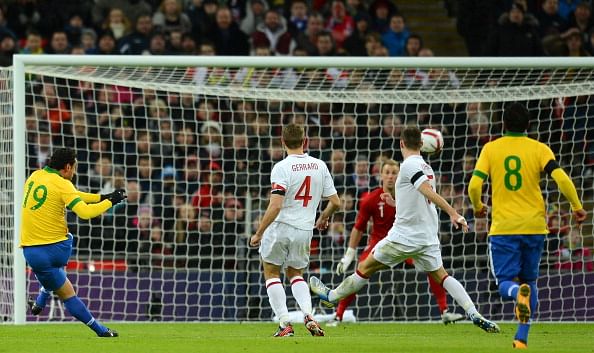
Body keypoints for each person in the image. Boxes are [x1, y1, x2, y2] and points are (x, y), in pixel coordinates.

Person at [310, 126, 500, 334]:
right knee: (443, 276)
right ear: (421, 145)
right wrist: (394, 202)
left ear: (401, 144)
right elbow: (418, 198)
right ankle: (474, 313)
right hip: (427, 236)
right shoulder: (426, 166)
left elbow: (425, 191)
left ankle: (330, 297)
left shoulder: (409, 165)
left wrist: (453, 213)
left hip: (404, 236)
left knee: (365, 267)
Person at [468, 102, 587, 349]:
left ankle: (515, 295)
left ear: (502, 124)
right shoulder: (539, 149)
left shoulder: (491, 149)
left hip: (504, 228)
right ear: (528, 125)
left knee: (505, 285)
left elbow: (473, 186)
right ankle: (521, 338)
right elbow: (561, 177)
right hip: (535, 227)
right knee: (530, 282)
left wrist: (478, 206)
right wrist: (577, 206)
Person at [334, 158, 464, 325]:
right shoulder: (370, 198)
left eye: (394, 173)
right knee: (361, 269)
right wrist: (349, 253)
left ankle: (444, 310)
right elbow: (358, 228)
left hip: (407, 241)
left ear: (400, 175)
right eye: (387, 172)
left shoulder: (409, 196)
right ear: (380, 175)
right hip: (379, 242)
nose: (390, 176)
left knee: (433, 268)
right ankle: (338, 314)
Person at [21, 148, 126, 337]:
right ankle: (101, 331)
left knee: (53, 277)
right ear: (67, 167)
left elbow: (75, 194)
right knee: (68, 294)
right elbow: (85, 213)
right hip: (56, 249)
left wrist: (104, 196)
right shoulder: (62, 184)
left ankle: (39, 303)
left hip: (31, 252)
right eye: (74, 167)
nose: (74, 171)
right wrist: (111, 203)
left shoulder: (35, 176)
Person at [249, 124, 341, 337]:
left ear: (282, 142)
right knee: (296, 273)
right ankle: (308, 314)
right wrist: (323, 218)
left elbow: (276, 205)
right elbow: (335, 202)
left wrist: (259, 232)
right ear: (305, 141)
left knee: (271, 272)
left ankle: (284, 324)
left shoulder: (281, 167)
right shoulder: (319, 165)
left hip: (281, 227)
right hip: (305, 230)